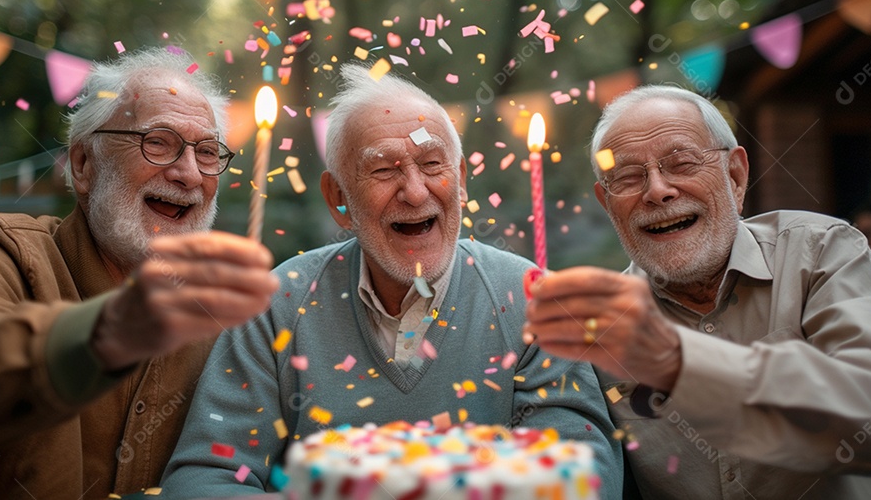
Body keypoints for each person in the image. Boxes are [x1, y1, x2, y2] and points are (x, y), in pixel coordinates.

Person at [160, 64, 623, 498]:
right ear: (337, 197)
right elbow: (205, 476)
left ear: (460, 180)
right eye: (384, 169)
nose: (416, 191)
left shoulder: (532, 300)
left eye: (433, 165)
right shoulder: (278, 304)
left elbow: (585, 472)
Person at [0, 48, 279, 499]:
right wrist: (106, 333)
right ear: (84, 165)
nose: (188, 174)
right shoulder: (2, 251)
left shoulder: (232, 318)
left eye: (207, 152)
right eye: (158, 142)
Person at [524, 84, 871, 499]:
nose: (657, 191)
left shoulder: (822, 250)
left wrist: (677, 359)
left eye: (682, 163)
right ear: (607, 203)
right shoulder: (599, 331)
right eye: (628, 177)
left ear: (735, 174)